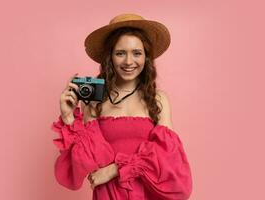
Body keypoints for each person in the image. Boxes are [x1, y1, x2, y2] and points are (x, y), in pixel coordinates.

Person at [51, 13, 193, 200]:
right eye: (120, 53)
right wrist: (69, 118)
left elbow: (168, 160)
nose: (128, 61)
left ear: (146, 57)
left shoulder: (158, 100)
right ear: (110, 57)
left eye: (137, 53)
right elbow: (87, 163)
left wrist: (115, 169)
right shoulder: (95, 101)